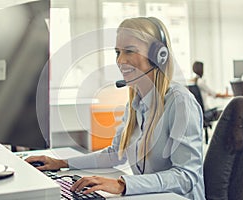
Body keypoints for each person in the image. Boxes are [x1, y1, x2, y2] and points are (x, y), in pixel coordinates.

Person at [26, 17, 205, 199]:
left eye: (129, 51)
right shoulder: (135, 103)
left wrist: (122, 184)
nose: (120, 60)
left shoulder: (180, 102)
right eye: (117, 52)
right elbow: (115, 153)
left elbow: (186, 175)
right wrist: (61, 163)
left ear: (159, 56)